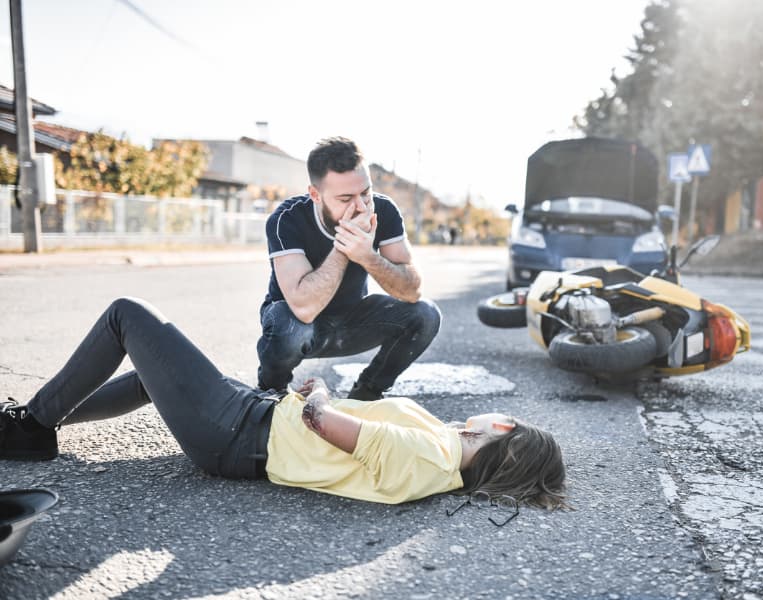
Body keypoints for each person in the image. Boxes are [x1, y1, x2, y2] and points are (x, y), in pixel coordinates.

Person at [0, 298, 567, 508]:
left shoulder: (433, 455)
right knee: (157, 376)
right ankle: (46, 420)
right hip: (248, 420)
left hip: (238, 432)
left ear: (506, 426)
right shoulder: (439, 461)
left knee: (127, 316)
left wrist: (317, 391)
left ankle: (30, 426)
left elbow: (323, 422)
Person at [257, 137, 441, 400]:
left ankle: (366, 395)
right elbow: (303, 308)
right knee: (289, 323)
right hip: (298, 325)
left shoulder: (384, 210)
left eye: (365, 192)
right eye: (345, 198)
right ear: (315, 194)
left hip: (353, 321)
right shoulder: (287, 219)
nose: (360, 206)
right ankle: (270, 394)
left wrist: (368, 257)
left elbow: (412, 291)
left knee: (426, 314)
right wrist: (344, 247)